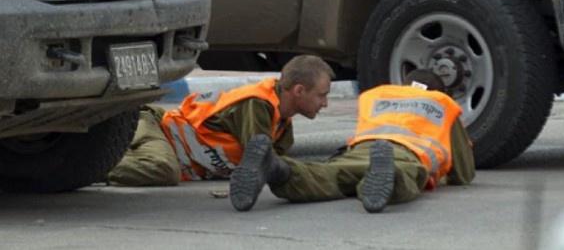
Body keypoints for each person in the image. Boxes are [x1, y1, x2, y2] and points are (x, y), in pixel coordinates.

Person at [229, 69, 475, 213]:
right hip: (404, 155)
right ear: (439, 92)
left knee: (328, 175)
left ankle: (277, 168)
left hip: (360, 149)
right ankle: (382, 178)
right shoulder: (442, 103)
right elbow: (464, 173)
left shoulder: (378, 95)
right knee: (406, 175)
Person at [108, 54, 334, 186]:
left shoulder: (283, 125)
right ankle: (85, 172)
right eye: (322, 95)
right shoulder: (257, 104)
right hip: (158, 130)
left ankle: (102, 159)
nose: (325, 104)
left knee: (166, 168)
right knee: (162, 170)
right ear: (299, 90)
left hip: (172, 150)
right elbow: (262, 161)